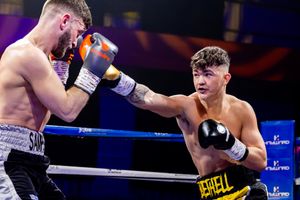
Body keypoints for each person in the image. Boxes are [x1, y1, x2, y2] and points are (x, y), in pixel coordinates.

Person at [100, 46, 268, 199]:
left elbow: (261, 162)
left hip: (245, 190)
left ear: (226, 78)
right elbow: (149, 99)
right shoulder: (186, 106)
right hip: (210, 193)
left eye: (208, 74)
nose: (200, 81)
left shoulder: (242, 109)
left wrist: (230, 144)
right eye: (196, 74)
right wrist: (116, 78)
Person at [0, 0, 118, 199]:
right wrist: (93, 70)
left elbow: (48, 112)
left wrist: (61, 68)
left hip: (32, 158)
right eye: (78, 33)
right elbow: (68, 111)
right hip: (8, 159)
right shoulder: (27, 54)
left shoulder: (42, 58)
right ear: (64, 21)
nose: (75, 42)